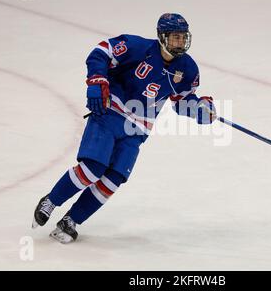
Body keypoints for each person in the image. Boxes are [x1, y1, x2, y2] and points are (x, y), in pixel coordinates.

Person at [32, 13, 217, 243]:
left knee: (114, 178)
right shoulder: (137, 47)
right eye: (175, 37)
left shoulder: (188, 69)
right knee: (93, 167)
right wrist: (97, 80)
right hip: (110, 112)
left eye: (183, 37)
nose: (180, 42)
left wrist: (201, 109)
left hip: (138, 128)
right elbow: (100, 52)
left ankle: (71, 220)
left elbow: (182, 101)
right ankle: (52, 200)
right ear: (162, 37)